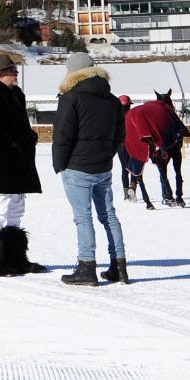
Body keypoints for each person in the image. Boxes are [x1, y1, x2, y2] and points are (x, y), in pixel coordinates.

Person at [53, 52, 129, 286]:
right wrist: (107, 155)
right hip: (103, 167)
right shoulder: (113, 99)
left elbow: (63, 134)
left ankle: (87, 268)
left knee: (83, 217)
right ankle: (119, 267)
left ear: (73, 72)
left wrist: (59, 163)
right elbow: (120, 134)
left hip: (77, 166)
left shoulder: (71, 97)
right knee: (109, 216)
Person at [0, 52, 46, 276]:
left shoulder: (16, 93)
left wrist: (28, 135)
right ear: (0, 73)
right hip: (2, 159)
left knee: (16, 208)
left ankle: (16, 258)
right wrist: (9, 142)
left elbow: (17, 123)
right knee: (0, 206)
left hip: (20, 158)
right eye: (12, 70)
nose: (16, 73)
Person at [126, 91, 187, 208]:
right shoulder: (167, 110)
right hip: (172, 141)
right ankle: (177, 196)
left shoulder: (131, 114)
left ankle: (164, 195)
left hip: (141, 138)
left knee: (160, 167)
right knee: (177, 169)